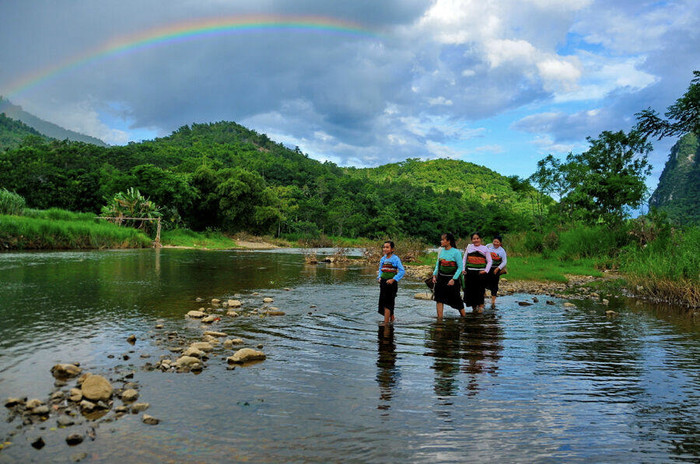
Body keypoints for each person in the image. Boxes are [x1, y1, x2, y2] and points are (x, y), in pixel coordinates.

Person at [431, 233, 466, 318]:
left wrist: (454, 279)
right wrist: (434, 275)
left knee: (456, 299)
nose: (441, 241)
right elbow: (437, 264)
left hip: (452, 279)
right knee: (439, 299)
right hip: (441, 278)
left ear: (449, 241)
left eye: (443, 240)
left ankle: (464, 317)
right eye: (441, 239)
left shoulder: (456, 252)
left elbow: (460, 267)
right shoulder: (441, 251)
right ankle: (439, 320)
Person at [462, 232, 492, 313]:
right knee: (470, 291)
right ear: (471, 240)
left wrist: (485, 271)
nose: (476, 240)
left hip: (480, 274)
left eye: (477, 238)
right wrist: (463, 269)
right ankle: (474, 308)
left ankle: (481, 307)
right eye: (474, 239)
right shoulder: (469, 248)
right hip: (469, 273)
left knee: (480, 290)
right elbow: (464, 259)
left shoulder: (485, 249)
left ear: (480, 239)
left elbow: (489, 261)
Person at [377, 241, 405, 325]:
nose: (385, 249)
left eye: (387, 247)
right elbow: (380, 269)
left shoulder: (395, 259)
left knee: (388, 303)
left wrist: (393, 279)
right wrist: (379, 277)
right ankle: (392, 319)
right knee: (383, 301)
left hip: (391, 284)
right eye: (384, 247)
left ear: (392, 249)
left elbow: (402, 271)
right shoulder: (383, 259)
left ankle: (386, 324)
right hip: (383, 283)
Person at [486, 235, 507, 306]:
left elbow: (504, 261)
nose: (495, 243)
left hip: (496, 268)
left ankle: (493, 301)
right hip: (488, 268)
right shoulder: (488, 247)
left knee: (494, 284)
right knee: (484, 282)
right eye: (494, 241)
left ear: (500, 243)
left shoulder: (502, 251)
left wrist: (498, 268)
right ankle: (483, 296)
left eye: (497, 242)